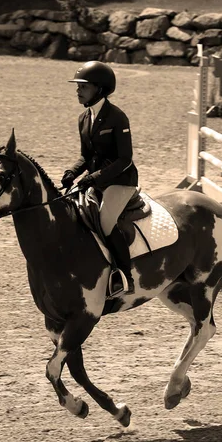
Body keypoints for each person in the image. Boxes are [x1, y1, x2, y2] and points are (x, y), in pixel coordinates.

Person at [63, 61, 139, 297]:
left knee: (105, 222)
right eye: (77, 86)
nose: (78, 91)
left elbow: (125, 158)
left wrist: (94, 177)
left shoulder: (117, 117)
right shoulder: (83, 118)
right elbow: (86, 156)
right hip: (97, 181)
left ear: (100, 89)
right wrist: (72, 173)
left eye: (83, 87)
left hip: (121, 181)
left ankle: (124, 276)